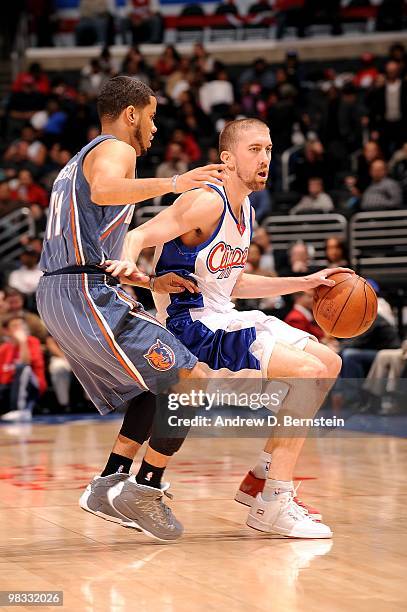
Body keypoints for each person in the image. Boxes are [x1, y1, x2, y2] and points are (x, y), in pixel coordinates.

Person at [109, 118, 351, 539]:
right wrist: (135, 268)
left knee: (328, 362)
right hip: (193, 326)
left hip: (225, 314)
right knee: (308, 374)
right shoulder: (206, 200)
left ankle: (260, 477)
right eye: (255, 149)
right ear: (227, 158)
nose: (265, 159)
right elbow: (139, 235)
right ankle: (274, 501)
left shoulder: (248, 210)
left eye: (269, 150)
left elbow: (233, 281)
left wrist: (305, 282)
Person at [36, 76, 227, 541]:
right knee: (191, 378)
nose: (156, 128)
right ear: (130, 114)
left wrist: (148, 280)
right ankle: (146, 488)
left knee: (156, 383)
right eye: (153, 116)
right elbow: (104, 191)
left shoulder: (76, 163)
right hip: (82, 292)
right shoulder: (114, 148)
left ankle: (110, 482)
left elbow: (94, 245)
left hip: (67, 290)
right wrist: (176, 182)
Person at [0, 315, 47, 422]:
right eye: (15, 326)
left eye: (21, 325)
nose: (20, 328)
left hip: (32, 385)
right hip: (10, 387)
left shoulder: (32, 342)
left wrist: (22, 342)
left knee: (23, 368)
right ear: (6, 331)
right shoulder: (4, 349)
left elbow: (26, 363)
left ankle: (21, 410)